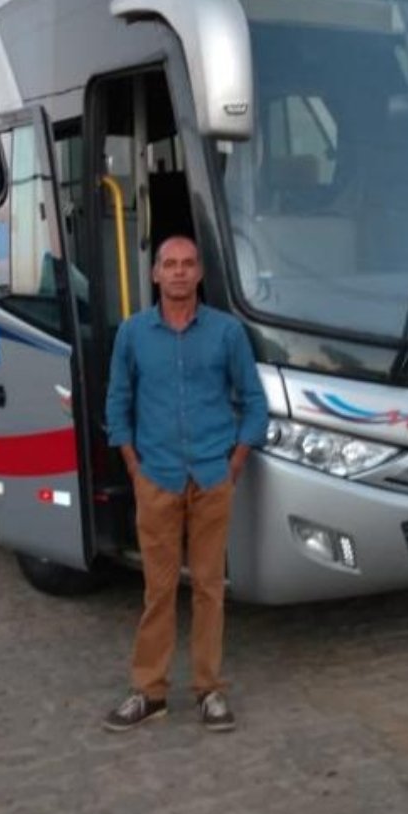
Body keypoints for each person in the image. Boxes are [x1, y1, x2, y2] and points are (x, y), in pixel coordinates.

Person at [103, 235, 268, 732]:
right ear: (155, 274)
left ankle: (209, 690)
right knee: (158, 590)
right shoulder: (133, 334)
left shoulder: (227, 333)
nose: (178, 272)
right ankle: (149, 692)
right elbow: (118, 402)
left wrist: (235, 463)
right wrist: (134, 467)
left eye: (188, 264)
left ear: (199, 273)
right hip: (157, 478)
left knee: (209, 589)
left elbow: (254, 402)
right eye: (170, 264)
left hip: (212, 477)